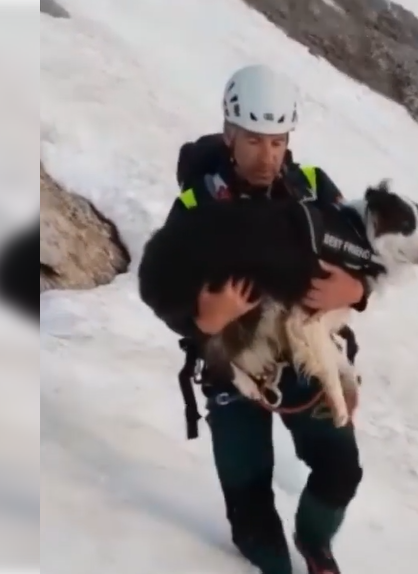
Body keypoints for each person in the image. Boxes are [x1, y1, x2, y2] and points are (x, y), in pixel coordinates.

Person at [160, 64, 368, 574]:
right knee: (251, 503)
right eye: (254, 140)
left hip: (302, 356)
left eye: (277, 141)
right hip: (230, 365)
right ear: (230, 134)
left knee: (340, 470)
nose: (267, 156)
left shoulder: (312, 187)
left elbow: (362, 253)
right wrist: (205, 317)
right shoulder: (196, 204)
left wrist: (357, 289)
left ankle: (315, 544)